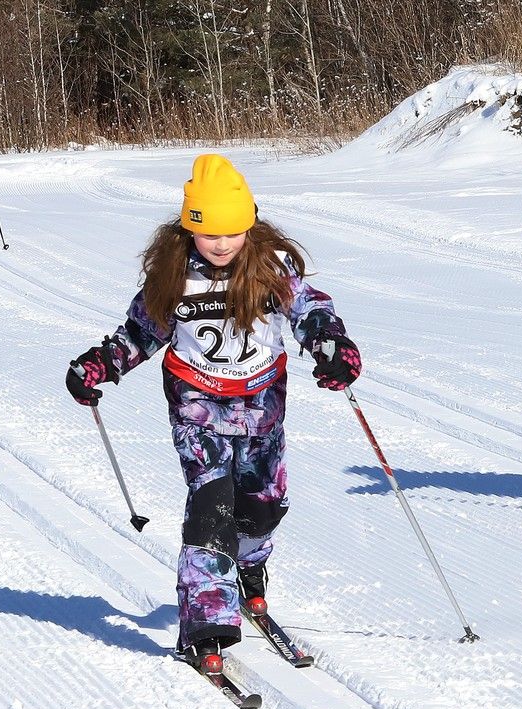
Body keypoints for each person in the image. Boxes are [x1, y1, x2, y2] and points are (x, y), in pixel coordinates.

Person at [65, 154, 361, 674]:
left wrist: (331, 344)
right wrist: (100, 365)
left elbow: (310, 309)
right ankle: (205, 623)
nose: (222, 244)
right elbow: (139, 333)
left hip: (262, 406)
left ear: (249, 223)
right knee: (211, 508)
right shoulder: (172, 276)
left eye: (232, 232)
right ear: (189, 228)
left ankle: (248, 569)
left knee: (262, 505)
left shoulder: (271, 268)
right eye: (209, 234)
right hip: (197, 408)